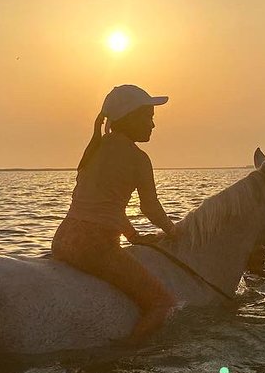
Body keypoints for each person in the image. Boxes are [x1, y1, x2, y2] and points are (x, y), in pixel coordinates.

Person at [52, 85, 178, 341]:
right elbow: (150, 208)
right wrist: (174, 231)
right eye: (148, 117)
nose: (153, 125)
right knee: (162, 304)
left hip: (62, 239)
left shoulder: (95, 149)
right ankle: (125, 357)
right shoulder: (138, 158)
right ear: (130, 119)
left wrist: (131, 235)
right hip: (95, 247)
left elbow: (102, 204)